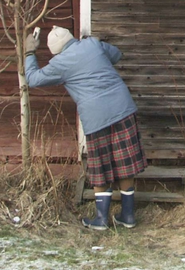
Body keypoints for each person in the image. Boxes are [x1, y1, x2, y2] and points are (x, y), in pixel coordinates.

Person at [23, 26, 147, 231]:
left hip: (96, 117)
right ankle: (128, 215)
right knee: (125, 164)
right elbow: (116, 54)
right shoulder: (92, 44)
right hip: (122, 108)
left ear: (54, 50)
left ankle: (101, 219)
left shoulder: (59, 63)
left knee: (101, 167)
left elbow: (33, 79)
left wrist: (29, 52)